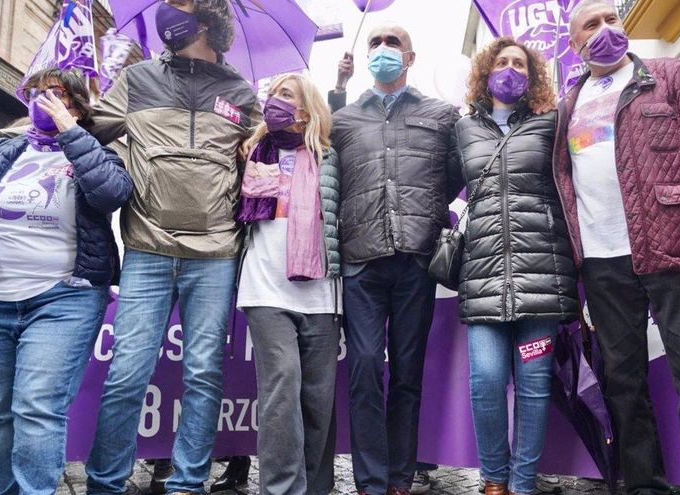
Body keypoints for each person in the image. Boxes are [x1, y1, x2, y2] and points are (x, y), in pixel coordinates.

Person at [552, 1, 680, 494]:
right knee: (623, 382)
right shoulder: (567, 104)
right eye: (591, 25)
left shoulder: (671, 74)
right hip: (600, 262)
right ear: (574, 44)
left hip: (673, 251)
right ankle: (644, 486)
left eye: (611, 19)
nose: (605, 29)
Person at [82, 0, 261, 493]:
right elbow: (87, 131)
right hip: (147, 247)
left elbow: (266, 153)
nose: (166, 12)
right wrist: (77, 99)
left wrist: (264, 135)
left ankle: (187, 483)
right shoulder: (137, 78)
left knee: (203, 375)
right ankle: (105, 483)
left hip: (217, 253)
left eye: (178, 5)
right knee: (126, 374)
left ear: (207, 17)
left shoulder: (241, 91)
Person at [0, 68, 133, 495]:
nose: (44, 100)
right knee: (3, 411)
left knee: (37, 405)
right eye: (36, 92)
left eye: (57, 93)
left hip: (64, 298)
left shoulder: (98, 153)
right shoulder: (3, 149)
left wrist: (71, 133)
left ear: (77, 107)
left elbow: (111, 194)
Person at [330, 24, 463, 495]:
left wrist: (420, 213)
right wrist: (337, 88)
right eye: (376, 43)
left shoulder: (441, 114)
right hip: (361, 260)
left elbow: (452, 178)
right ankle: (370, 482)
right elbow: (329, 176)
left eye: (393, 43)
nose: (383, 49)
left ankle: (399, 480)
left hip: (417, 260)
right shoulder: (344, 120)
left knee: (408, 373)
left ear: (410, 56)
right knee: (365, 368)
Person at [457, 37, 578, 495]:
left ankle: (522, 483)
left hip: (542, 277)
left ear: (533, 76)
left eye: (520, 64)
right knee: (486, 381)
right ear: (486, 71)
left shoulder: (552, 122)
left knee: (533, 383)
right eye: (502, 62)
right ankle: (494, 479)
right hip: (483, 277)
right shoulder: (463, 128)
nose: (510, 69)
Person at [235, 72, 340, 495]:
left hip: (322, 294)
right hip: (265, 288)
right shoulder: (250, 151)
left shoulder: (329, 158)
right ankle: (280, 489)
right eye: (273, 93)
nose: (275, 100)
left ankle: (315, 488)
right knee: (282, 385)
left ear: (306, 110)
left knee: (317, 399)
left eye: (286, 94)